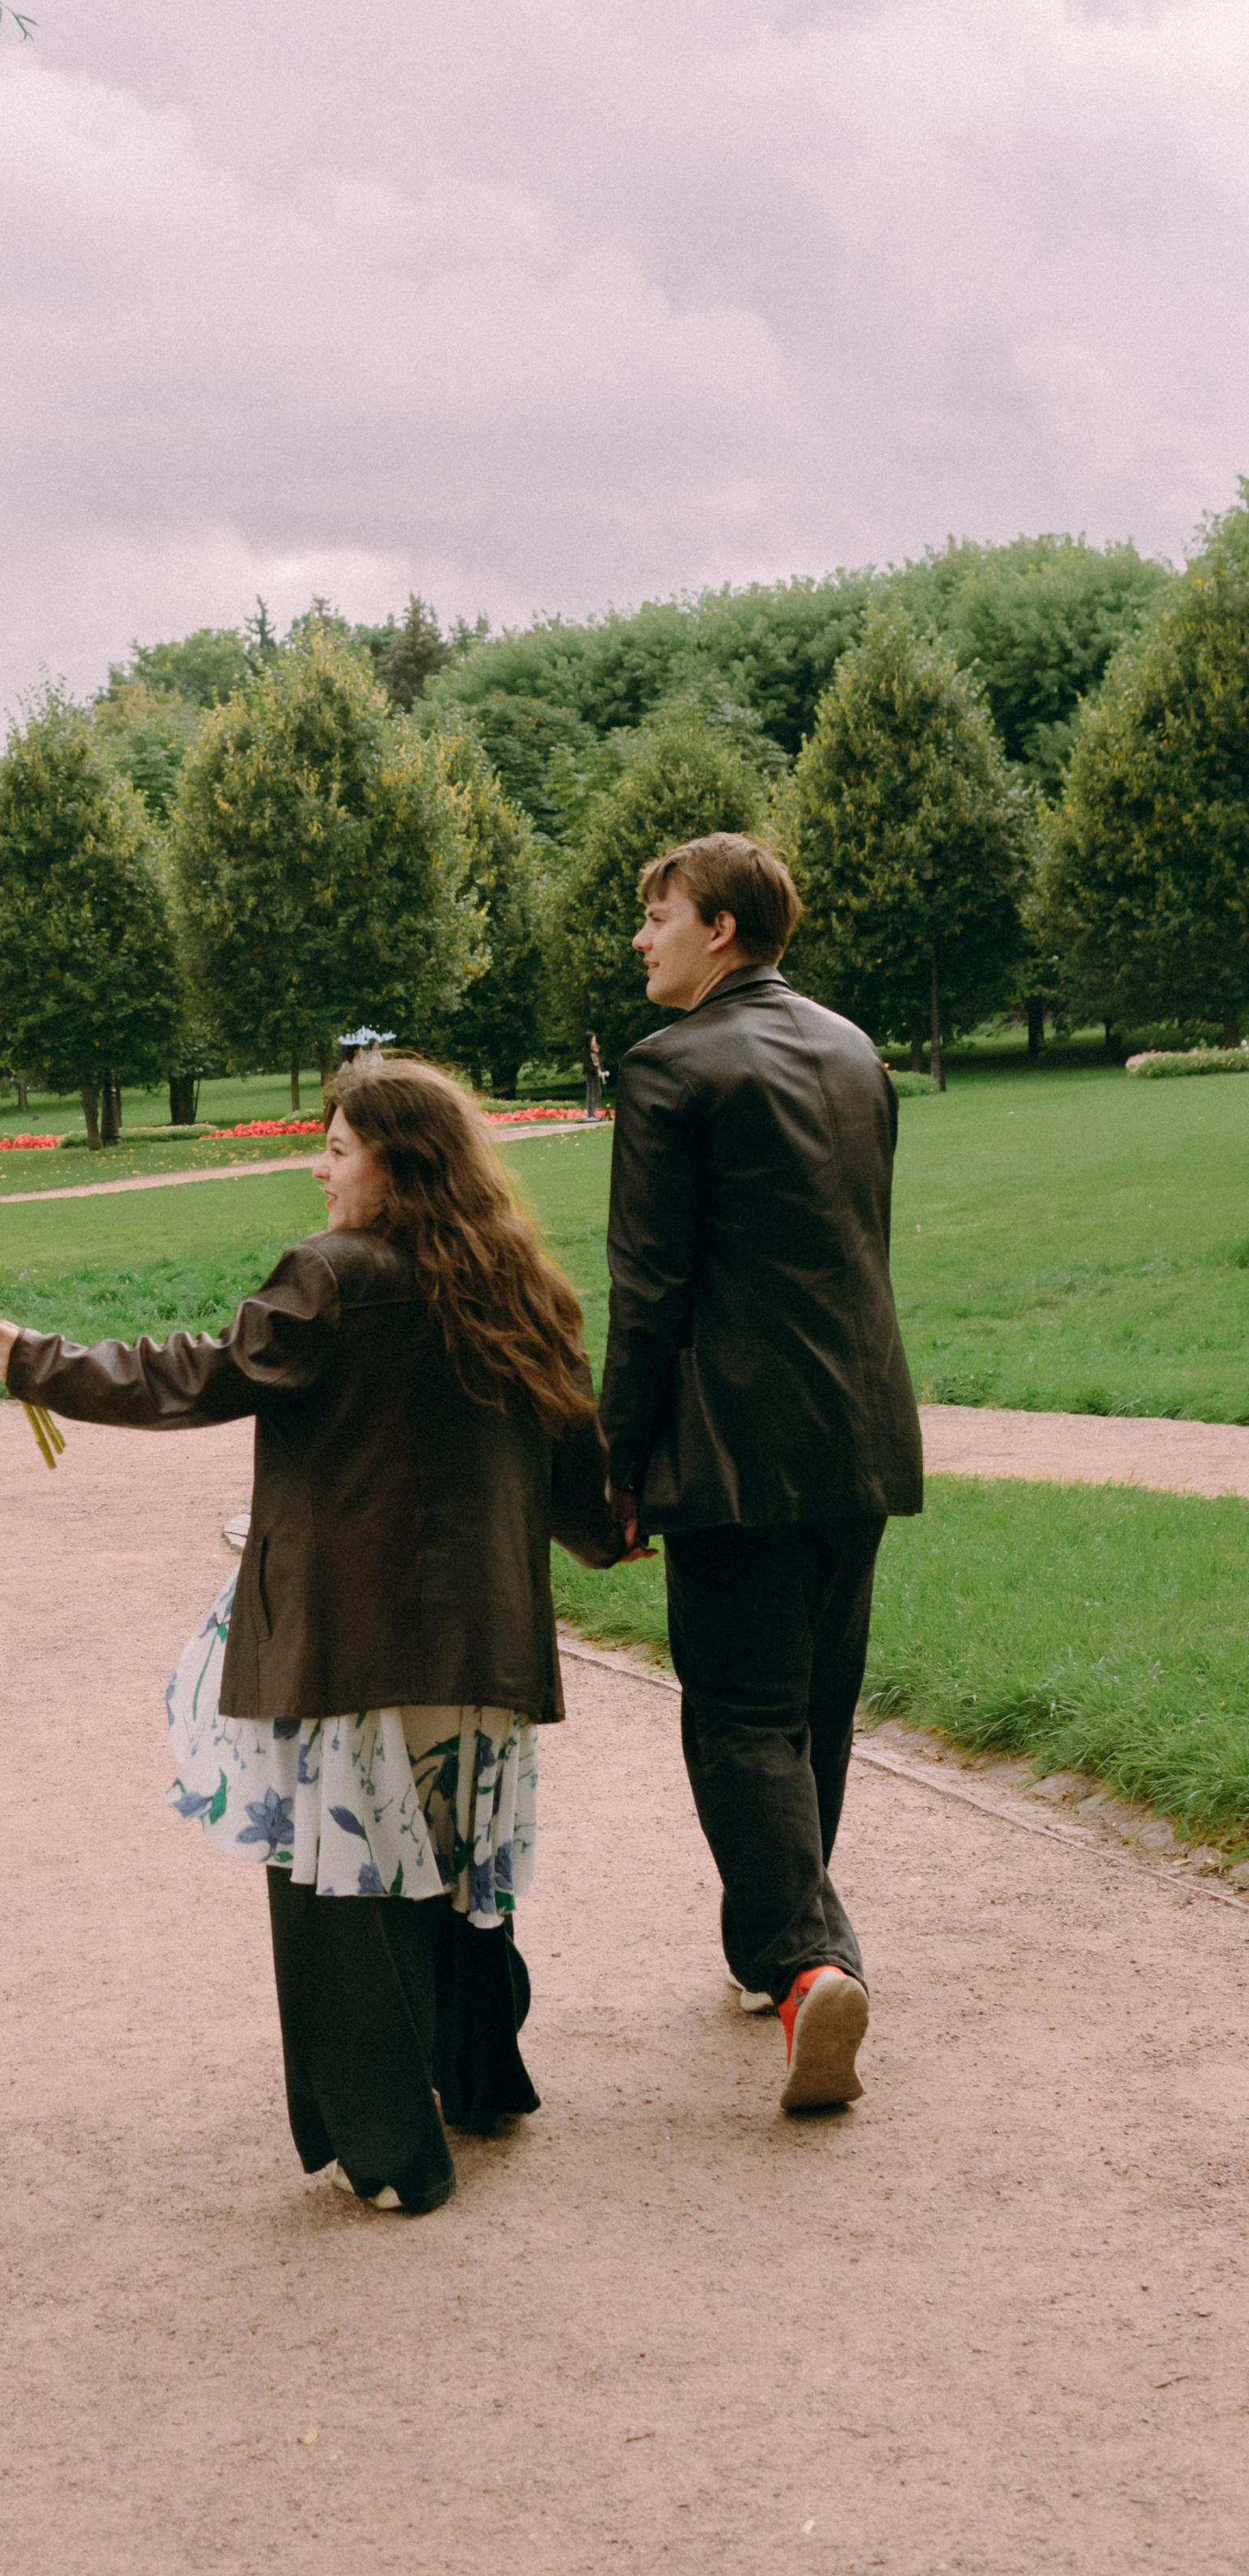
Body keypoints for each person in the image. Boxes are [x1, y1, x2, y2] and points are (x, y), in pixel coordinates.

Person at [0, 1056, 626, 2215]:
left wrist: (38, 1361)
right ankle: (479, 2081)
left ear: (396, 1159)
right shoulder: (518, 1276)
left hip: (353, 1646)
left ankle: (391, 2154)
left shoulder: (332, 1278)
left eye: (335, 1147)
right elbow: (572, 1449)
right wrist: (608, 1536)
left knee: (346, 1893)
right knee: (457, 1865)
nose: (316, 1167)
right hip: (483, 1648)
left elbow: (202, 1375)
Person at [600, 832, 922, 2114]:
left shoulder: (670, 1067)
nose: (643, 938)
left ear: (719, 928)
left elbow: (649, 1289)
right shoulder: (856, 1051)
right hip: (865, 1435)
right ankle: (775, 1951)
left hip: (733, 1446)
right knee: (815, 1704)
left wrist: (619, 1460)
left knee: (739, 1714)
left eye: (659, 916)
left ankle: (803, 1965)